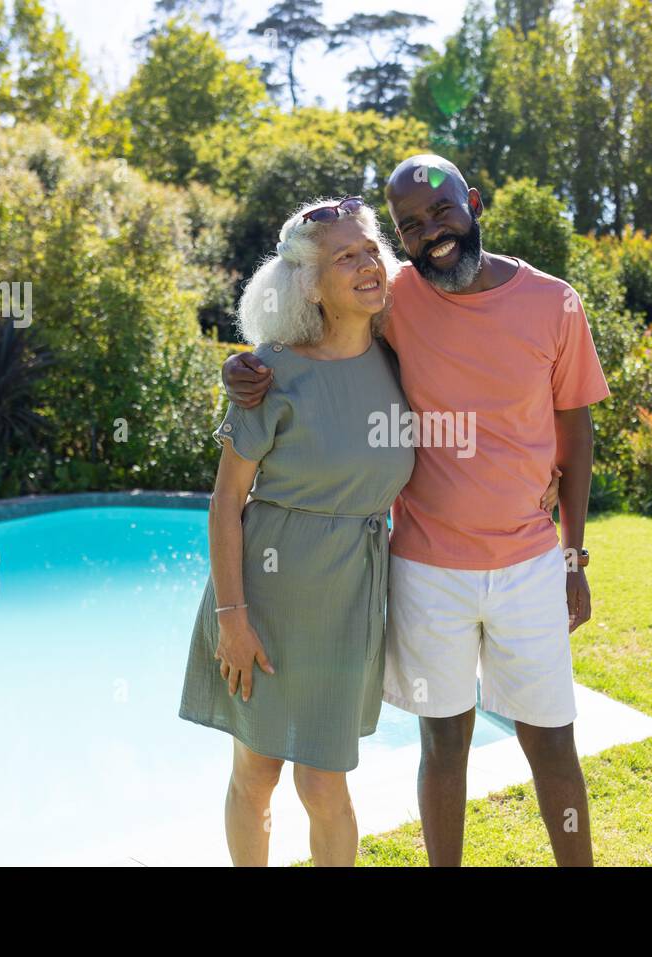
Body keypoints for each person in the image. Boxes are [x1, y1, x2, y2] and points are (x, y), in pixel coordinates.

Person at [223, 155, 612, 866]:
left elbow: (576, 429)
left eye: (442, 213)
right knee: (444, 743)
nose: (431, 233)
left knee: (553, 740)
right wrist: (245, 361)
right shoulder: (393, 295)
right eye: (410, 225)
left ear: (476, 202)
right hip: (427, 569)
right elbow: (315, 322)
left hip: (530, 560)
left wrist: (574, 554)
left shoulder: (555, 301)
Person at [178, 197, 414, 866]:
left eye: (372, 249)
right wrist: (232, 619)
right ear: (309, 281)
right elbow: (228, 501)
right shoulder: (269, 373)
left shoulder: (403, 359)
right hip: (263, 599)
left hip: (350, 598)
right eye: (347, 256)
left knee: (324, 779)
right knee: (256, 771)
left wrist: (543, 470)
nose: (368, 263)